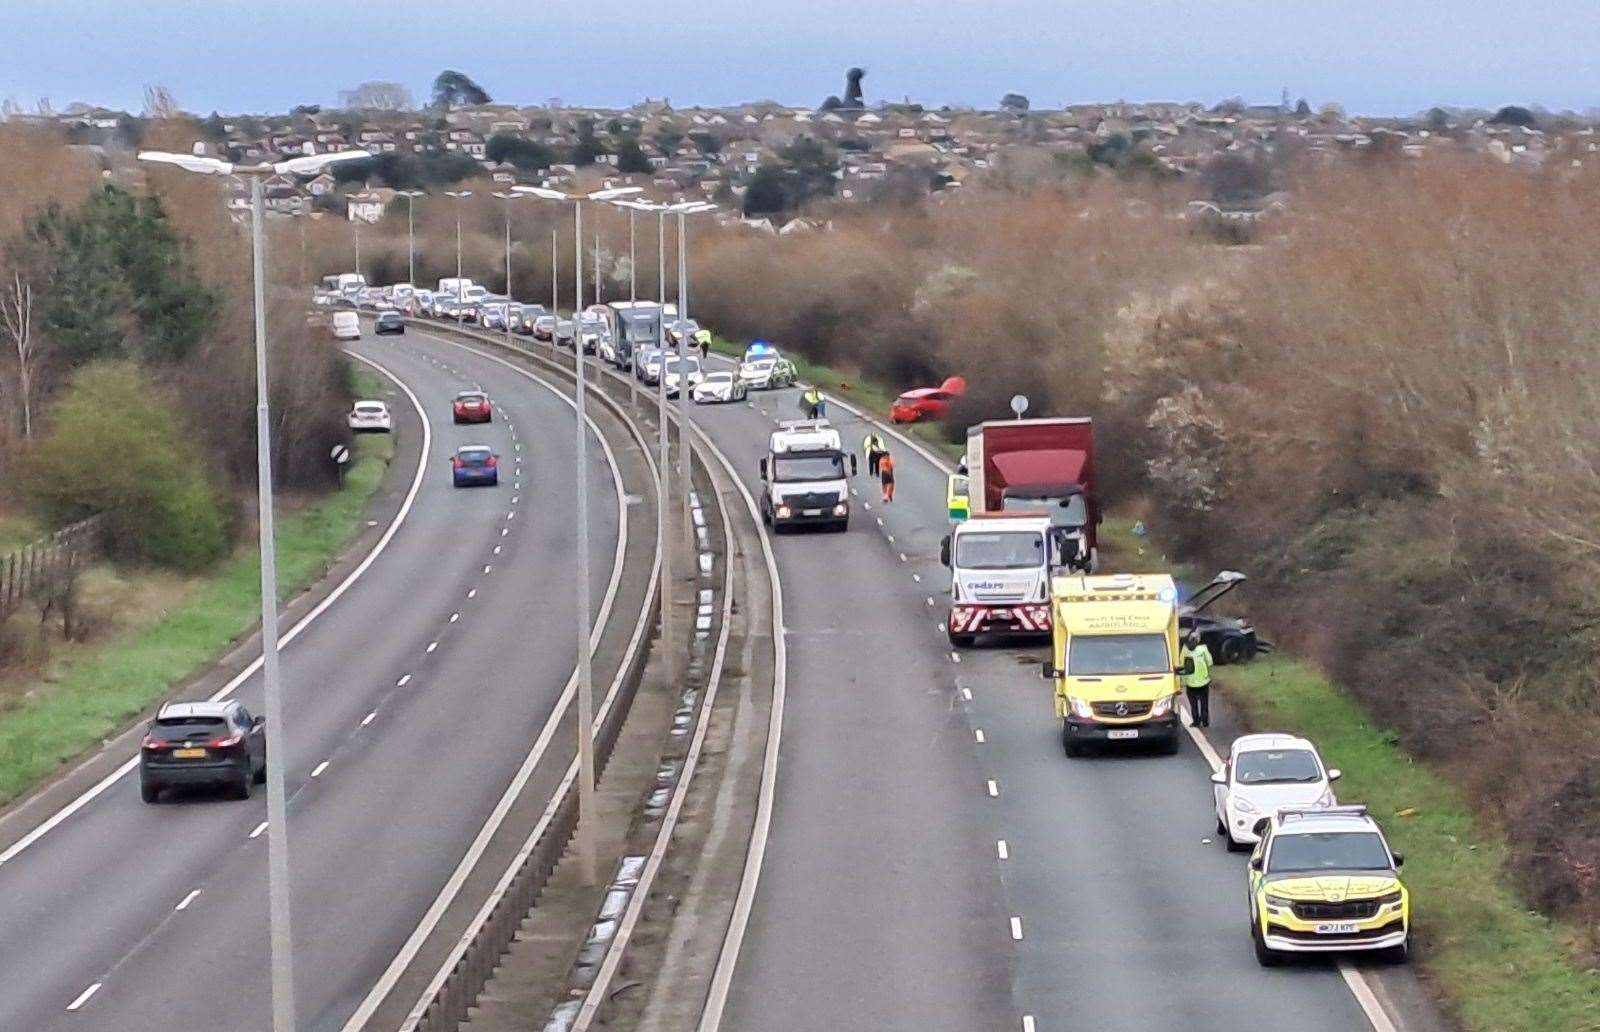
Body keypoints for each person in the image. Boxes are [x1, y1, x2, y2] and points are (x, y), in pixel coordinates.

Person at [1181, 631, 1213, 728]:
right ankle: (1205, 721)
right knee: (1204, 703)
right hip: (1203, 682)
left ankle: (1195, 721)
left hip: (1190, 683)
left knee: (1193, 704)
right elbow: (1210, 662)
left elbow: (1181, 664)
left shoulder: (1185, 650)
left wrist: (1183, 681)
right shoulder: (1203, 649)